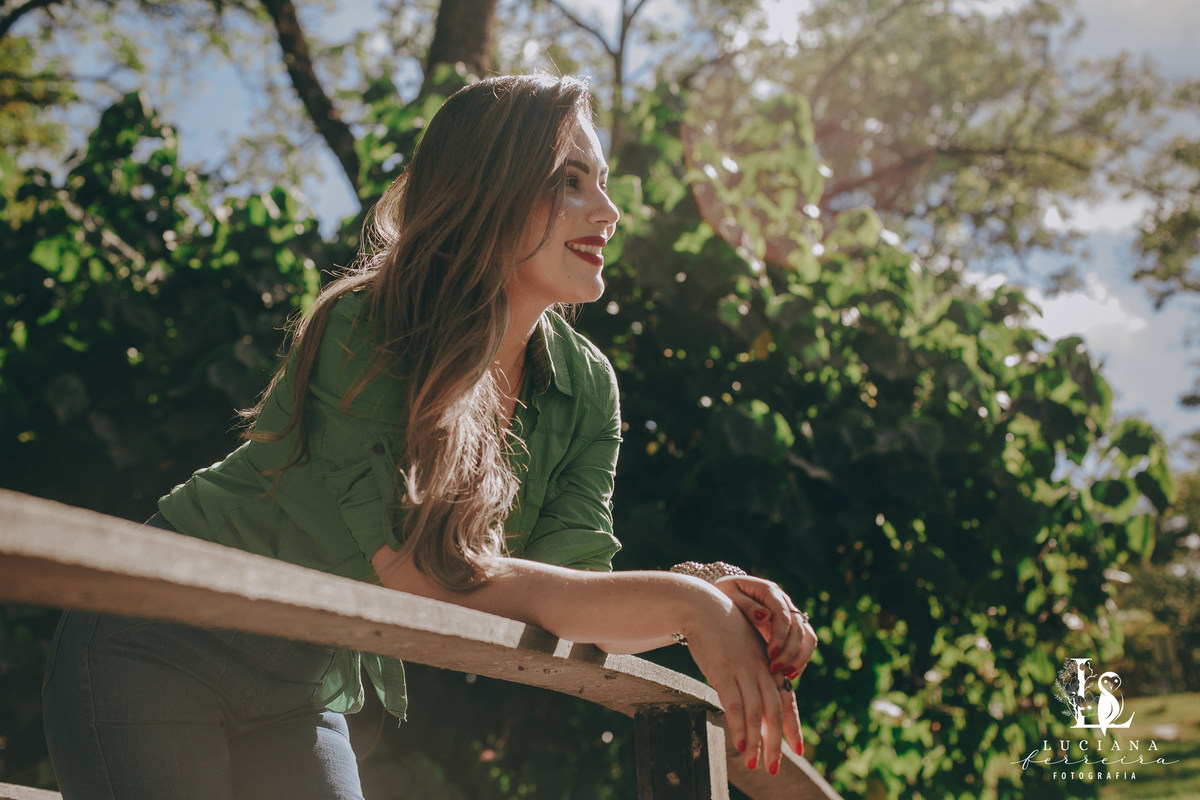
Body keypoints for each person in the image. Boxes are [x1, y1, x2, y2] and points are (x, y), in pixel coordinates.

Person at [42, 73, 817, 799]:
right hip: (161, 637)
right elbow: (415, 572)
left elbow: (567, 592)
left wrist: (706, 594)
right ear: (490, 190)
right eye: (570, 181)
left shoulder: (587, 387)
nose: (607, 212)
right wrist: (686, 608)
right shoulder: (367, 322)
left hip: (300, 681)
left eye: (603, 183)